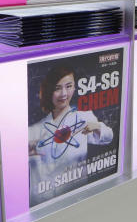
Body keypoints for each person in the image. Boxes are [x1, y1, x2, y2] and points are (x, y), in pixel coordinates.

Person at [28, 65, 114, 201]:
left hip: (77, 197)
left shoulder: (83, 118)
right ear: (49, 91)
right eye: (57, 88)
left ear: (74, 88)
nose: (64, 94)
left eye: (68, 86)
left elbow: (109, 136)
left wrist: (96, 126)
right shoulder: (34, 130)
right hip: (42, 203)